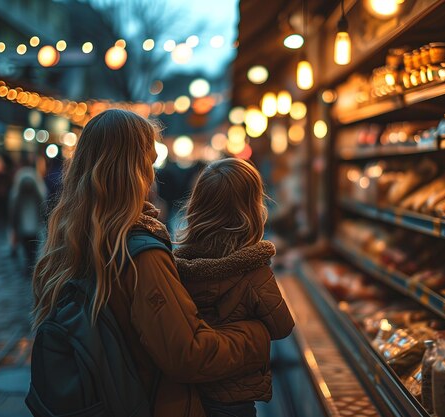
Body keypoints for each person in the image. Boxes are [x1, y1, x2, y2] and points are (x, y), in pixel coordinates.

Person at [31, 109, 270, 417]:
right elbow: (188, 355)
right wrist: (256, 336)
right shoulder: (141, 253)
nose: (153, 176)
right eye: (148, 164)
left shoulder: (68, 241)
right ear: (132, 171)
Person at [175, 158, 295, 417]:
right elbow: (283, 326)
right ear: (252, 209)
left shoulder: (177, 268)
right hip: (235, 399)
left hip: (190, 393)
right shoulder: (253, 270)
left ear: (197, 205)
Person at [9, 165, 47, 273]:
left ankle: (30, 264)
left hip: (33, 227)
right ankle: (29, 264)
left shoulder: (36, 197)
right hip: (25, 228)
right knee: (27, 248)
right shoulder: (18, 198)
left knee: (32, 247)